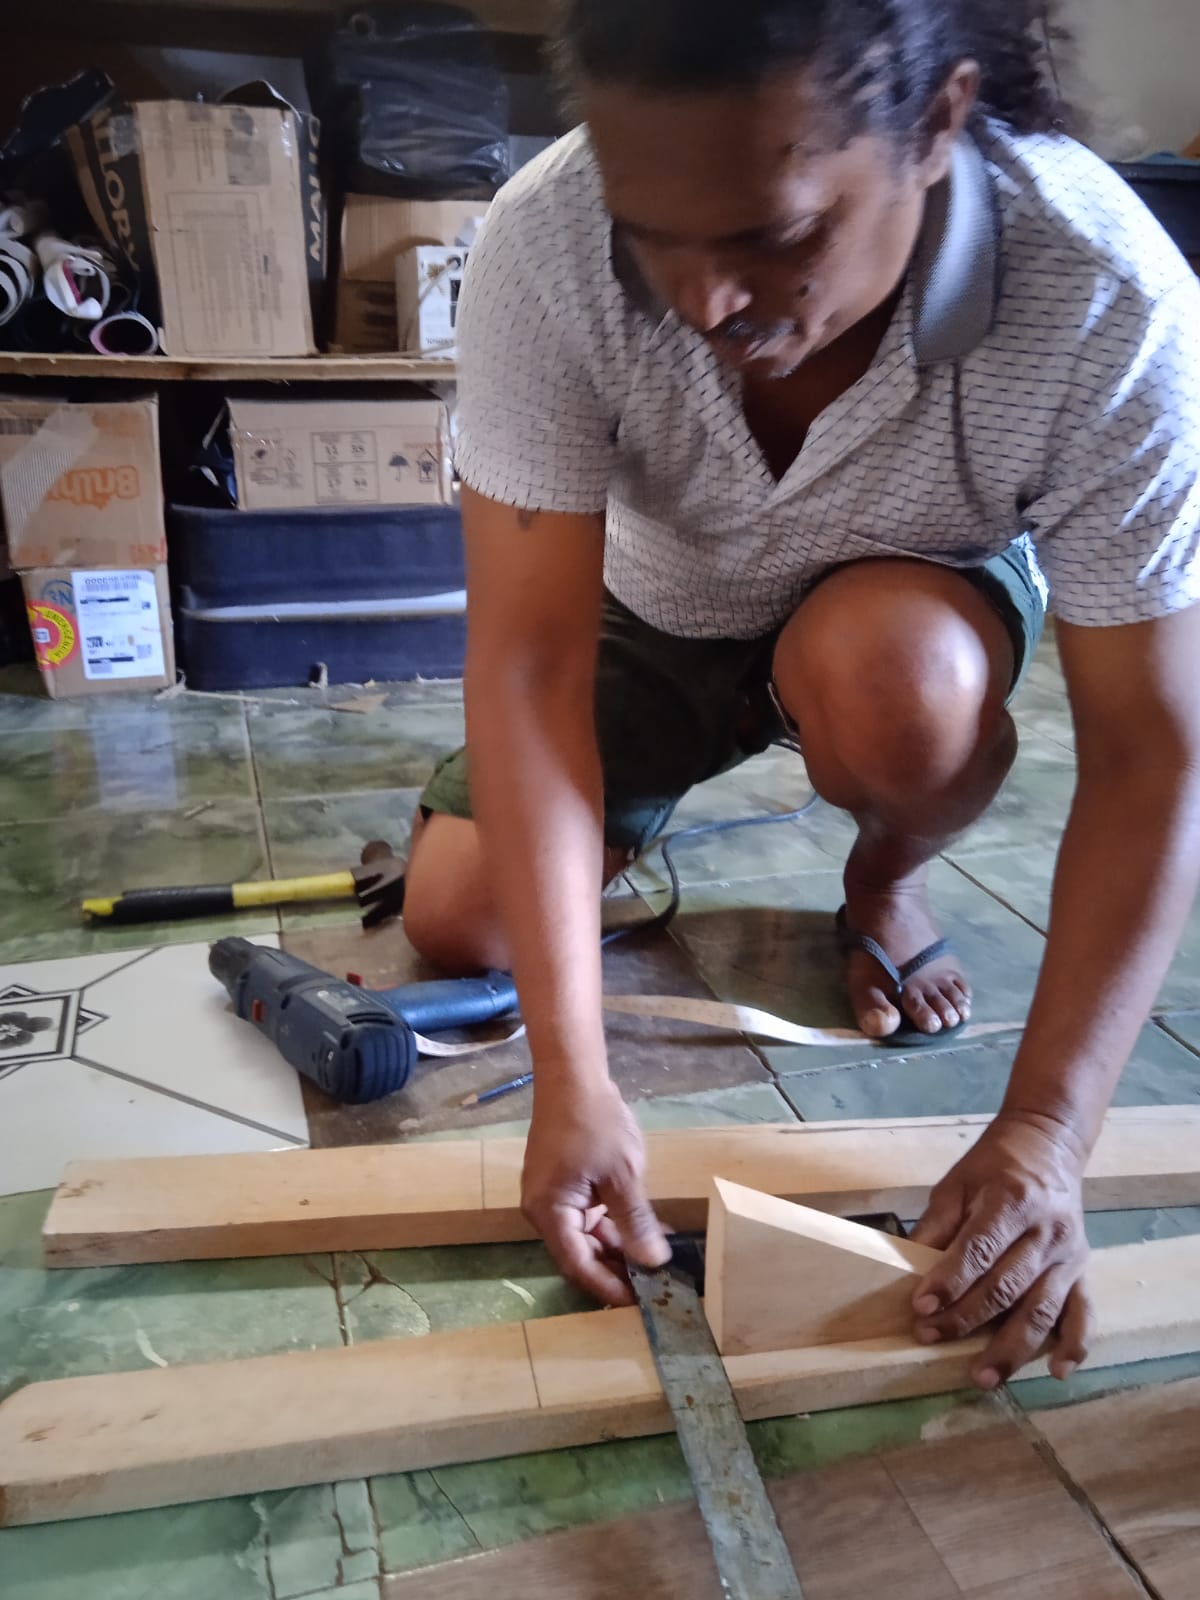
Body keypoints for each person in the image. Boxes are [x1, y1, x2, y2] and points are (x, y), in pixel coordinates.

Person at [403, 0, 1200, 1388]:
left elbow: (1152, 754)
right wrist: (574, 1078)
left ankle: (887, 877)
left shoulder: (1105, 296)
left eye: (776, 236)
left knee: (897, 691)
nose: (706, 302)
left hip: (908, 604)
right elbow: (530, 668)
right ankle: (676, 783)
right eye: (654, 237)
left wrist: (1047, 1134)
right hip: (665, 602)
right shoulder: (544, 240)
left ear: (939, 123)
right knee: (461, 921)